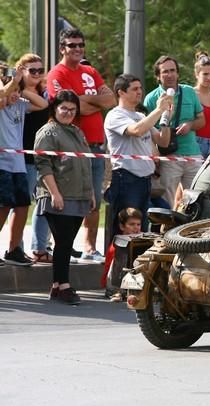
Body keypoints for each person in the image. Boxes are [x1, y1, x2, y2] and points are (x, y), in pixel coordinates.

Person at [47, 28, 117, 264]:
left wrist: (82, 99)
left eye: (80, 45)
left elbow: (111, 100)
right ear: (62, 48)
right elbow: (72, 108)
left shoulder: (90, 71)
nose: (77, 49)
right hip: (72, 146)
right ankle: (58, 248)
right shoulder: (57, 73)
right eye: (72, 45)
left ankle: (90, 247)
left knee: (93, 198)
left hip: (97, 146)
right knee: (66, 200)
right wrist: (87, 102)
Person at [34, 90, 94, 304]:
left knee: (65, 243)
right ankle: (65, 286)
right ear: (54, 109)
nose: (68, 113)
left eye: (72, 109)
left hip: (78, 196)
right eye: (64, 108)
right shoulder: (48, 132)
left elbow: (85, 164)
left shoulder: (77, 132)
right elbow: (43, 166)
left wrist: (90, 194)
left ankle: (57, 286)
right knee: (63, 242)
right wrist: (54, 193)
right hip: (58, 196)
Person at [104, 73, 172, 236]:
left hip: (144, 180)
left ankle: (135, 261)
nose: (139, 92)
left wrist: (167, 116)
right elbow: (136, 130)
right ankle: (117, 261)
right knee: (125, 229)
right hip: (126, 178)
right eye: (134, 89)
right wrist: (158, 109)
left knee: (140, 229)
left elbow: (163, 141)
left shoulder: (141, 116)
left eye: (140, 88)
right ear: (121, 92)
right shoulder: (115, 115)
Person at [0, 66, 48, 266]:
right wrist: (11, 84)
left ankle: (13, 250)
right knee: (3, 206)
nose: (15, 95)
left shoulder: (20, 104)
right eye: (12, 91)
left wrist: (21, 87)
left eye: (18, 91)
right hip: (2, 162)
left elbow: (43, 103)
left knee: (21, 205)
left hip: (18, 164)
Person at [143, 55, 205, 206]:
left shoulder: (190, 92)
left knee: (196, 201)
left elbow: (202, 120)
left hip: (192, 154)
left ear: (178, 73)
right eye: (165, 72)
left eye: (173, 71)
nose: (170, 75)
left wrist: (190, 125)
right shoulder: (151, 98)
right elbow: (146, 130)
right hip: (168, 157)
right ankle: (164, 230)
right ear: (158, 76)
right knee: (166, 203)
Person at [101, 207, 142, 302]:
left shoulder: (140, 239)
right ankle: (117, 291)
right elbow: (112, 268)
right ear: (122, 226)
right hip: (114, 282)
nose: (136, 227)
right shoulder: (118, 243)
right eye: (132, 224)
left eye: (138, 224)